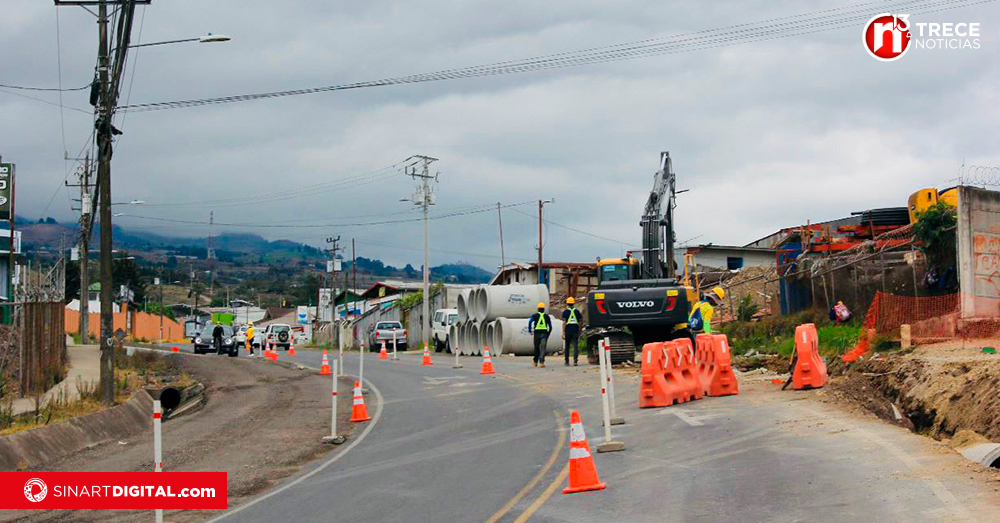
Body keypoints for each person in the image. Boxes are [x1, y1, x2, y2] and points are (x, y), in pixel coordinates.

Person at [528, 302, 552, 368]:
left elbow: (530, 322)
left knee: (536, 347)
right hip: (544, 333)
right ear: (544, 309)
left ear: (538, 309)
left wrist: (530, 330)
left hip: (537, 333)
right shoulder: (547, 316)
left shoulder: (535, 316)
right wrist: (548, 333)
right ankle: (542, 362)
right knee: (543, 348)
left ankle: (535, 362)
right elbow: (550, 326)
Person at [562, 297, 583, 366]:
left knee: (567, 346)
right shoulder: (577, 311)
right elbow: (580, 321)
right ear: (573, 303)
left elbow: (564, 322)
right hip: (575, 329)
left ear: (567, 304)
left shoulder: (565, 312)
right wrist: (580, 330)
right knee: (575, 345)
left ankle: (567, 361)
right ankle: (575, 361)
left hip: (568, 330)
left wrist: (563, 332)